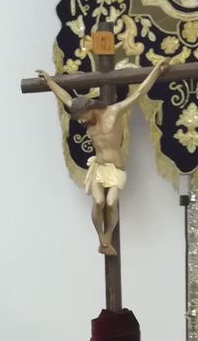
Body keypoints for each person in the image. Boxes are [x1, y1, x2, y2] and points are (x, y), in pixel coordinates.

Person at [36, 64, 166, 255]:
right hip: (98, 166)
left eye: (82, 117)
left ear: (89, 109)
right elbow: (66, 98)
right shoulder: (85, 117)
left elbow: (138, 93)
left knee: (111, 202)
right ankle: (103, 240)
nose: (82, 121)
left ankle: (108, 235)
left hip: (115, 168)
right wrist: (49, 81)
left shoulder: (113, 112)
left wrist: (156, 71)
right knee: (98, 201)